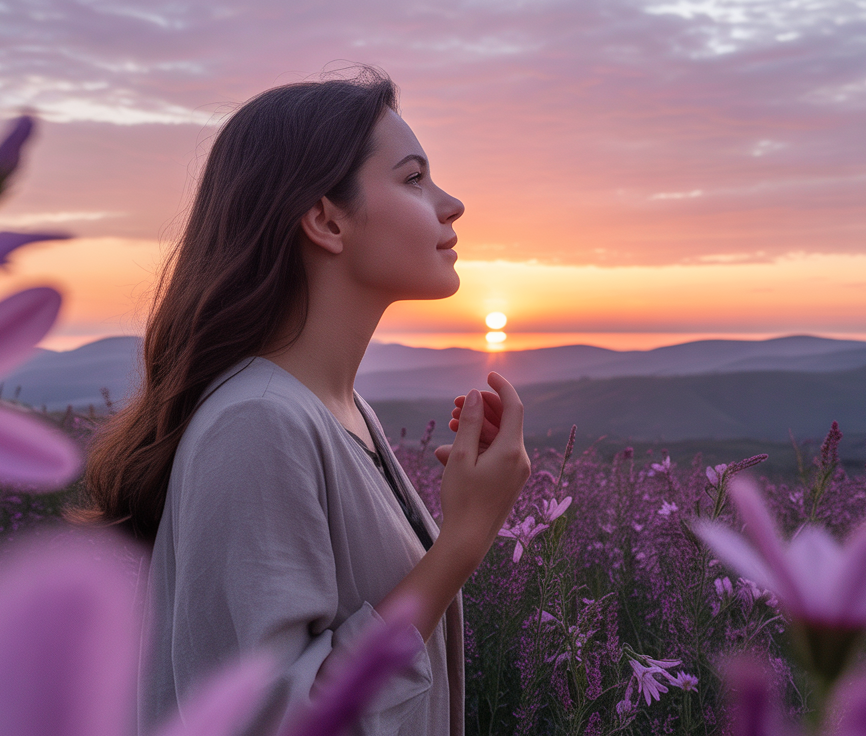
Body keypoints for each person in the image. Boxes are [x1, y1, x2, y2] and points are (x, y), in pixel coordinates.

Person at [75, 67, 531, 736]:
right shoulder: (258, 424)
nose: (450, 202)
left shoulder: (342, 414)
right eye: (412, 178)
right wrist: (462, 537)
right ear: (325, 219)